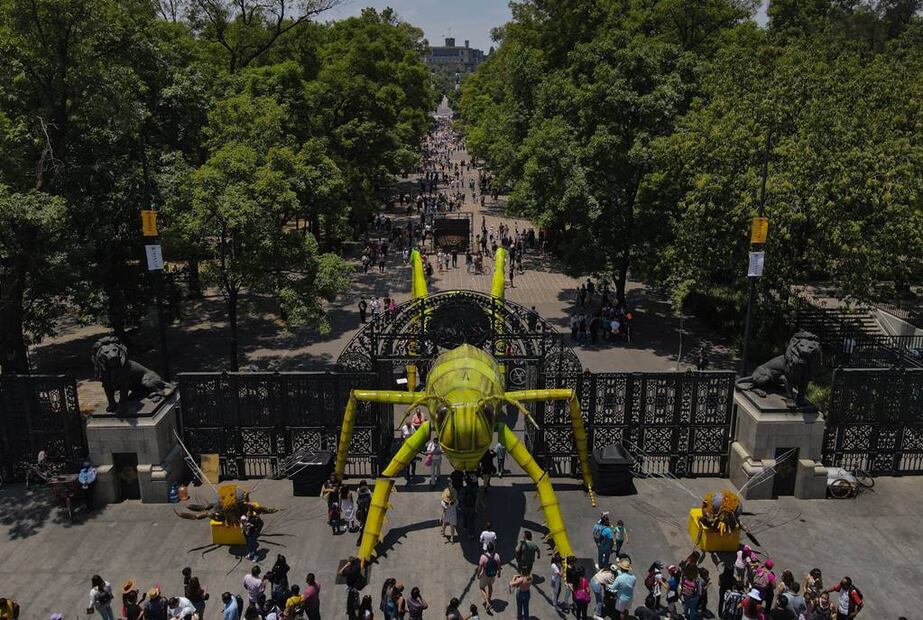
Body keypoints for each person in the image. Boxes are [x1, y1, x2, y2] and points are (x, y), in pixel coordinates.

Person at [477, 542, 501, 615]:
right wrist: (499, 573)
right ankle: (489, 599)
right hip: (492, 574)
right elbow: (499, 566)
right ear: (493, 549)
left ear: (487, 549)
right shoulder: (496, 556)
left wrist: (478, 574)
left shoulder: (483, 557)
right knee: (490, 586)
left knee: (481, 587)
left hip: (485, 575)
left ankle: (487, 603)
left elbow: (480, 567)